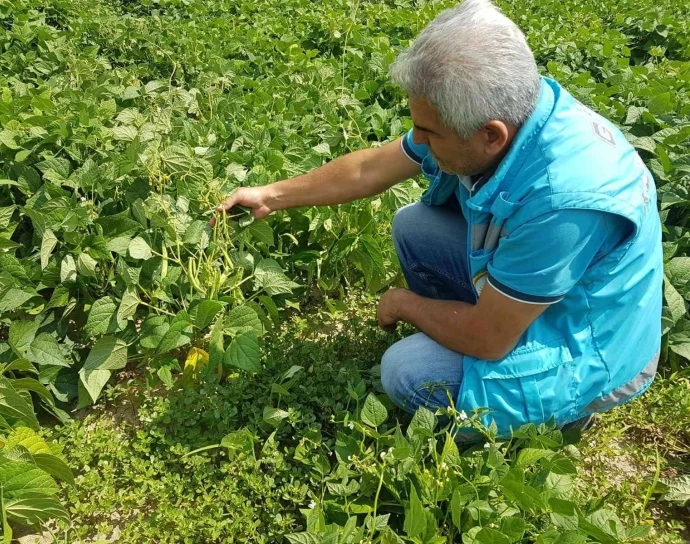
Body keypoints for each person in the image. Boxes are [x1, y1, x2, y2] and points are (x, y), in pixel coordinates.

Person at [212, 0, 663, 437]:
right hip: (546, 296)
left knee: (408, 372)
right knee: (415, 227)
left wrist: (405, 304)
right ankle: (472, 320)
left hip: (588, 347)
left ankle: (568, 411)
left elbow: (489, 339)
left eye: (429, 133)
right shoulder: (507, 109)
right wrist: (270, 194)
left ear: (490, 135)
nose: (419, 143)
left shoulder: (564, 200)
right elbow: (371, 169)